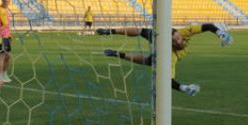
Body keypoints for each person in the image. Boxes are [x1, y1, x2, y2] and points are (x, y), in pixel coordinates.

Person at [97, 23, 233, 96]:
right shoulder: (169, 55)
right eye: (174, 42)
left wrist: (219, 33)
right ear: (170, 44)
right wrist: (182, 87)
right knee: (142, 33)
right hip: (161, 46)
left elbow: (207, 26)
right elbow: (169, 81)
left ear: (180, 34)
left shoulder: (185, 32)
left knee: (150, 61)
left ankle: (117, 54)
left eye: (178, 39)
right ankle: (110, 32)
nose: (178, 42)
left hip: (163, 50)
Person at [0, 0, 14, 83]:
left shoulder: (6, 11)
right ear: (2, 1)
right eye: (5, 1)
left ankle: (4, 74)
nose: (7, 3)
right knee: (2, 57)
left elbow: (7, 25)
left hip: (6, 36)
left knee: (7, 57)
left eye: (8, 2)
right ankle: (0, 76)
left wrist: (9, 34)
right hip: (0, 37)